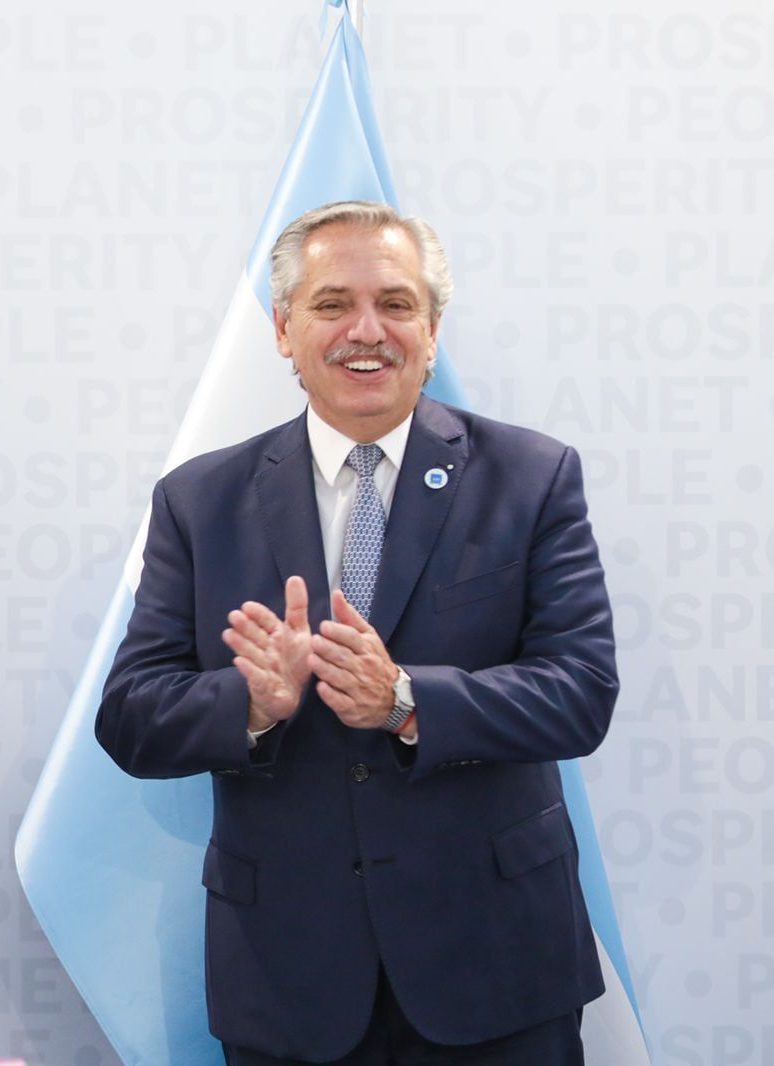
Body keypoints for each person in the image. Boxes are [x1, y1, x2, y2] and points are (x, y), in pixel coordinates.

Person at [95, 201, 616, 1064]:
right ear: (283, 328)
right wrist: (252, 703)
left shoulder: (532, 477)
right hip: (290, 981)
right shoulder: (198, 502)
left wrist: (408, 700)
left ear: (433, 328)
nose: (365, 331)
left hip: (496, 971)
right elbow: (131, 717)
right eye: (333, 303)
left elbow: (581, 693)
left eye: (397, 304)